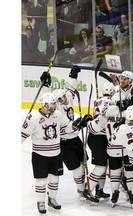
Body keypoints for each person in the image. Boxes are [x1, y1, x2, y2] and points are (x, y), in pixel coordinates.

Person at [51, 66, 98, 203]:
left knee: (83, 163)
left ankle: (82, 187)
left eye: (64, 97)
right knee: (77, 169)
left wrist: (74, 74)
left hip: (76, 139)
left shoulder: (68, 97)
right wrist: (77, 124)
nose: (64, 100)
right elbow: (63, 130)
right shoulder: (55, 114)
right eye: (60, 99)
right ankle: (82, 190)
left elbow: (71, 87)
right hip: (64, 144)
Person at [21, 87, 67, 213]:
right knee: (41, 180)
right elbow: (22, 134)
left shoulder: (57, 114)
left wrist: (77, 124)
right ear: (46, 104)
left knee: (54, 179)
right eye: (53, 103)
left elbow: (64, 128)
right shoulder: (33, 117)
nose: (55, 105)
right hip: (40, 154)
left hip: (56, 153)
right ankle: (41, 202)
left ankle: (52, 199)